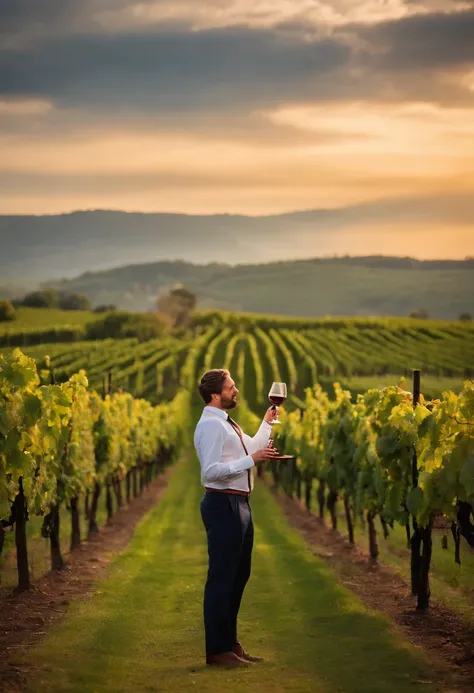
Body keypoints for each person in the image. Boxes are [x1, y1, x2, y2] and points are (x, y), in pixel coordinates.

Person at [194, 368, 281, 668]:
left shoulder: (227, 424)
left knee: (238, 577)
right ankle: (217, 651)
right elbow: (210, 471)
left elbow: (253, 447)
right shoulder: (210, 427)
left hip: (240, 504)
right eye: (231, 388)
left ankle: (230, 644)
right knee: (222, 579)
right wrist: (251, 461)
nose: (236, 391)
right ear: (216, 395)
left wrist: (266, 425)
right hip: (223, 505)